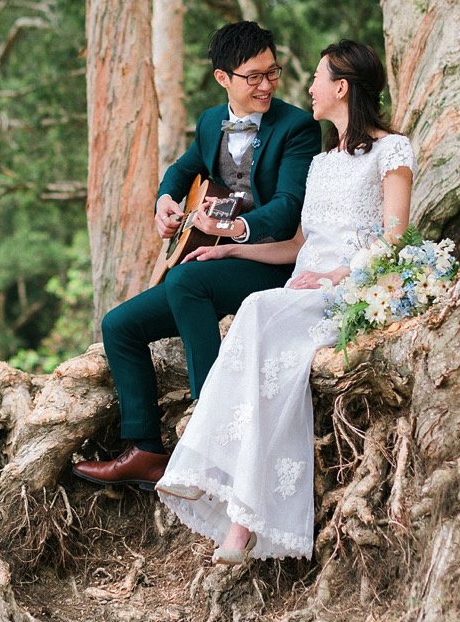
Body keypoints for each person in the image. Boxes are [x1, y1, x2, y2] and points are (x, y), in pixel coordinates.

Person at [155, 40, 413, 564]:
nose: (308, 89)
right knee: (259, 324)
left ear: (341, 88)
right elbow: (297, 247)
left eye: (317, 79)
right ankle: (238, 517)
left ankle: (223, 497)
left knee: (256, 312)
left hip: (352, 288)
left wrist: (339, 274)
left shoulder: (393, 151)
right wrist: (229, 251)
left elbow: (396, 240)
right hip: (301, 282)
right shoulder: (320, 162)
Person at [73, 22, 321, 490]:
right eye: (253, 76)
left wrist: (229, 228)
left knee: (186, 281)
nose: (267, 85)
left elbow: (288, 209)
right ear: (223, 78)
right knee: (119, 326)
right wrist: (165, 201)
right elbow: (184, 169)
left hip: (272, 265)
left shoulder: (299, 128)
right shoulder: (211, 122)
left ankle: (213, 440)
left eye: (273, 72)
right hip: (211, 264)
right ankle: (146, 451)